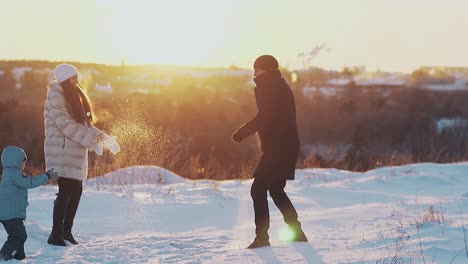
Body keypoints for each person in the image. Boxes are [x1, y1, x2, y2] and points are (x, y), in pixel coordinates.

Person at [232, 55, 308, 248]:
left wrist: (242, 132)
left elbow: (265, 118)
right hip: (285, 147)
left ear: (266, 70)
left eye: (257, 69)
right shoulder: (276, 85)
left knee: (258, 189)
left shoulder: (270, 88)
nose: (254, 72)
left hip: (279, 148)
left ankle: (262, 238)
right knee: (275, 189)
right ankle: (296, 231)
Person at [44, 64, 120, 246]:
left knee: (76, 190)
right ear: (63, 80)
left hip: (74, 152)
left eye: (76, 77)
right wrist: (92, 142)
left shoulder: (73, 95)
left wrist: (103, 139)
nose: (76, 81)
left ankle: (66, 232)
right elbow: (67, 126)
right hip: (62, 152)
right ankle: (56, 234)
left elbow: (83, 125)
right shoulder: (56, 97)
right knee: (66, 190)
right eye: (72, 78)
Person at [0, 146, 59, 260]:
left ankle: (18, 256)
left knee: (17, 235)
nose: (24, 165)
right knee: (19, 235)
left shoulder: (10, 173)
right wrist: (46, 176)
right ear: (15, 161)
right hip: (11, 214)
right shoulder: (13, 173)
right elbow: (30, 182)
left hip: (11, 213)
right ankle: (4, 256)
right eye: (23, 162)